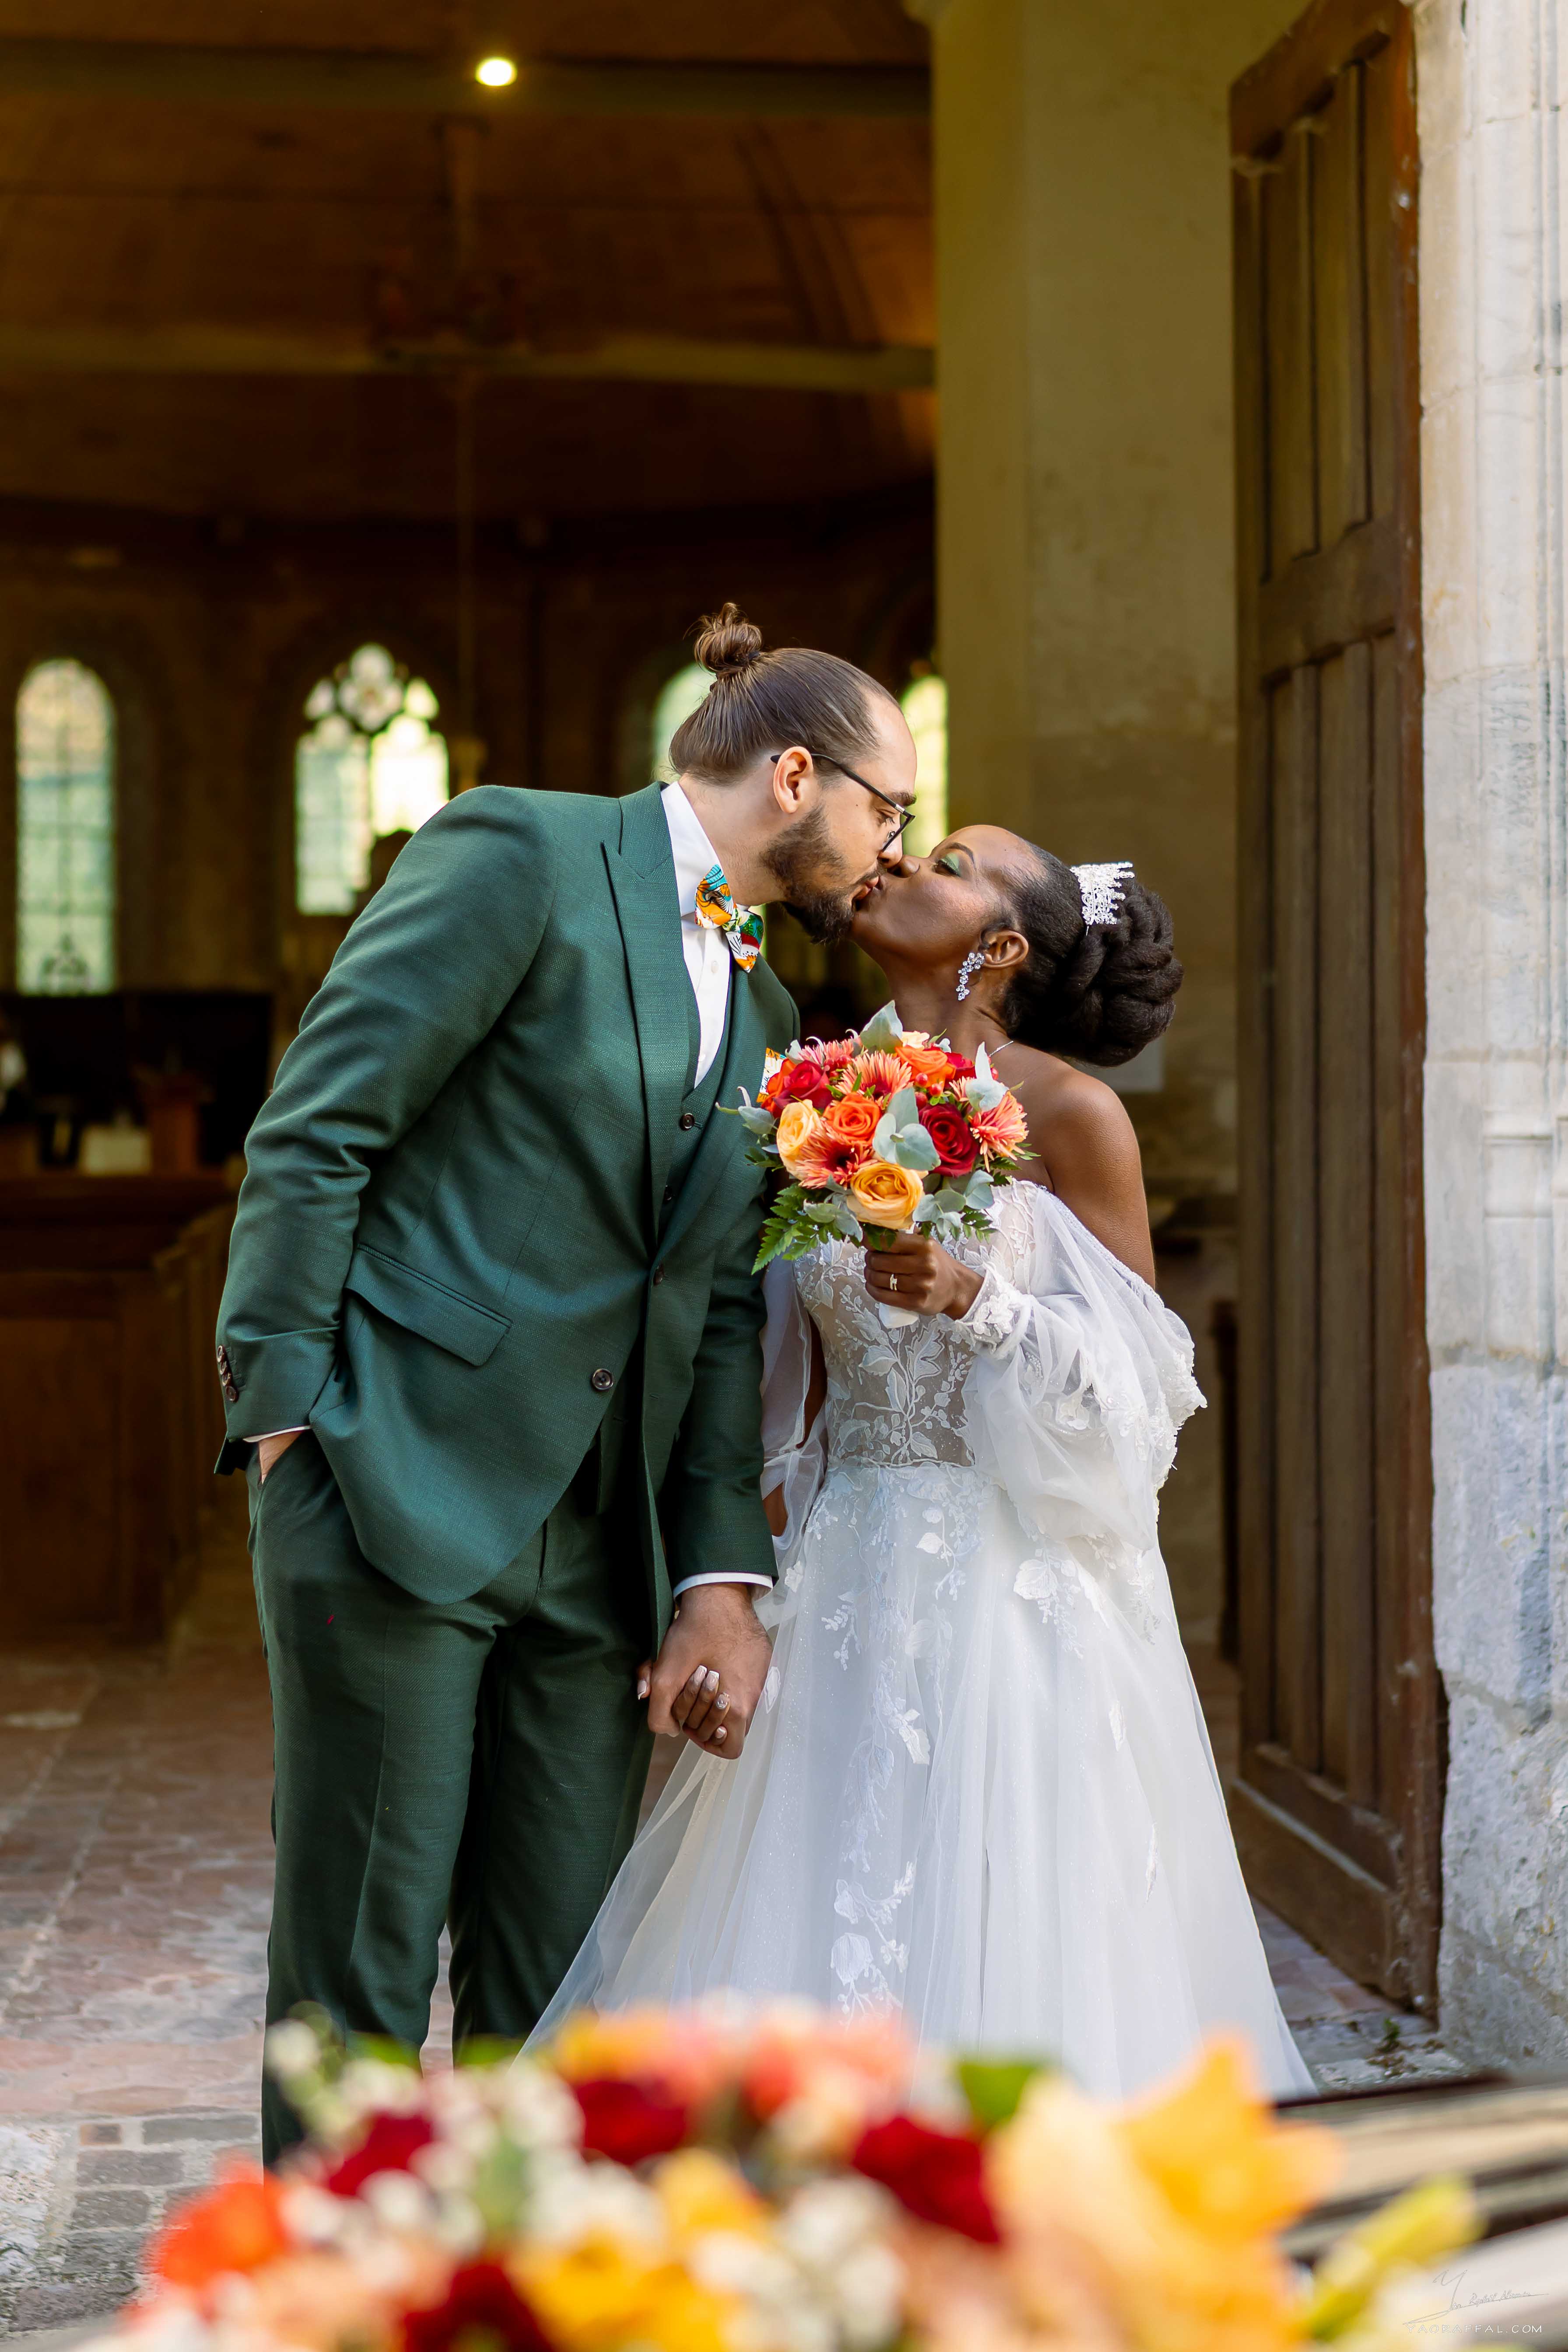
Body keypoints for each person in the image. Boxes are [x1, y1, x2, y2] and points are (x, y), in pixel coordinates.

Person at [214, 605, 919, 2157]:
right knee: (361, 1979)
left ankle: (528, 2302)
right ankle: (338, 2304)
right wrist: (283, 1417)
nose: (895, 846)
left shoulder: (767, 1011)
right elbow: (317, 1130)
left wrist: (715, 1571)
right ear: (797, 775)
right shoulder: (519, 855)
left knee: (565, 1988)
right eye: (892, 805)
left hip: (602, 1556)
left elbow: (722, 1306)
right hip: (391, 1472)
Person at [532, 827, 1314, 2099]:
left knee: (1010, 1914)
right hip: (847, 1575)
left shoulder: (1071, 1114)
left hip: (1019, 1599)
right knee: (815, 1903)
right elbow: (786, 1376)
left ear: (998, 949)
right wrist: (733, 1581)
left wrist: (975, 1299)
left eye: (945, 862)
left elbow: (1145, 1392)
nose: (897, 864)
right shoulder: (816, 1100)